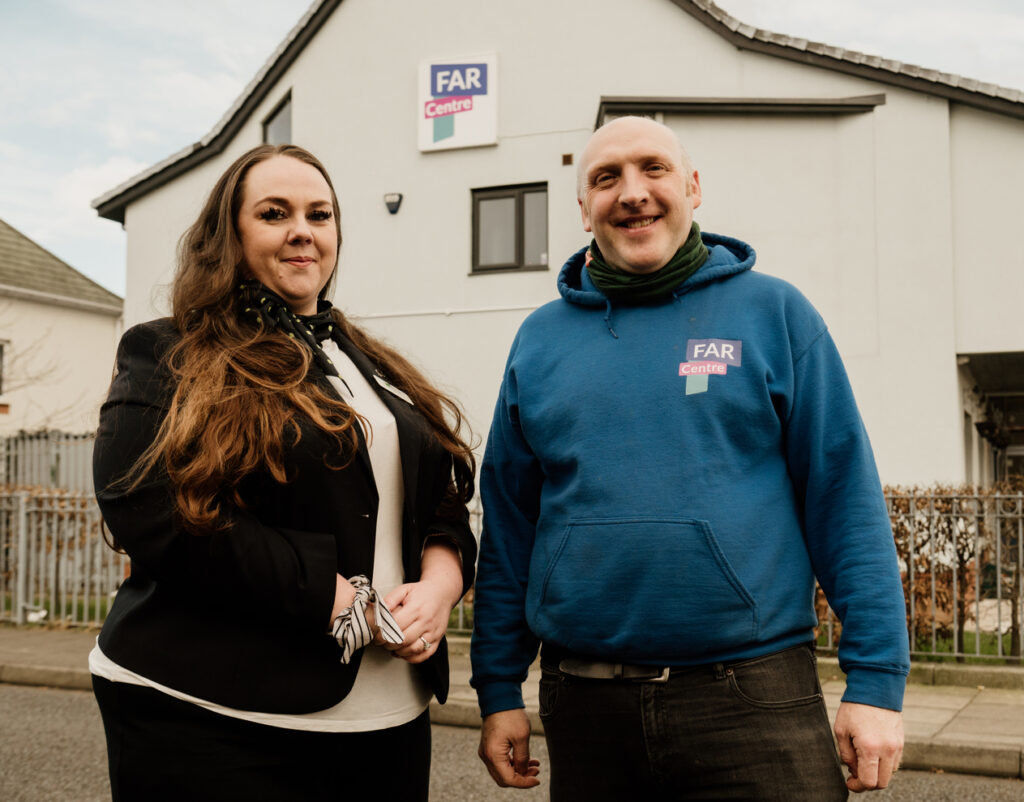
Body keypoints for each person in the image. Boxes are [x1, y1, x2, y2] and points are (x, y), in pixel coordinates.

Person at [471, 116, 910, 800]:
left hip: (753, 699)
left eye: (653, 169)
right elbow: (508, 529)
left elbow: (844, 500)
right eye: (606, 178)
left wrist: (877, 682)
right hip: (585, 710)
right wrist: (498, 688)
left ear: (693, 187)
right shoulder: (539, 341)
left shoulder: (776, 314)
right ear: (582, 207)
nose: (633, 192)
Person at [89, 143, 477, 801]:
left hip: (389, 720)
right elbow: (149, 509)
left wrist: (440, 588)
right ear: (231, 237)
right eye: (275, 213)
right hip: (212, 715)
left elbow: (441, 503)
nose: (303, 229)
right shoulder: (169, 351)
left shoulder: (366, 362)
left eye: (319, 214)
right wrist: (341, 602)